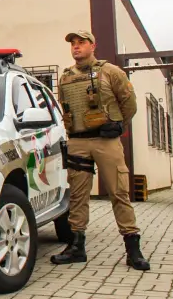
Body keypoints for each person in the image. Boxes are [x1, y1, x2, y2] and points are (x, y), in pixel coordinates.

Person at [50, 30, 150, 271]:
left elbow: (129, 103)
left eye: (81, 42)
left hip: (106, 142)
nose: (76, 47)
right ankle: (76, 247)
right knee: (78, 195)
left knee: (119, 192)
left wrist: (119, 125)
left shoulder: (111, 72)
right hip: (77, 142)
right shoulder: (65, 77)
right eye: (73, 44)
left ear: (93, 46)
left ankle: (133, 249)